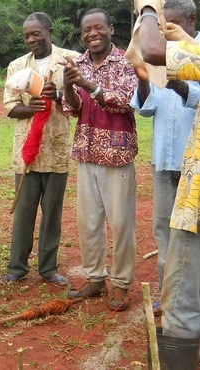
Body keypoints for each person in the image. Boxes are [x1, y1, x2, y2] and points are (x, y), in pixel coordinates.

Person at [61, 8, 139, 312]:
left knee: (120, 224)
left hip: (117, 156)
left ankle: (120, 283)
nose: (92, 34)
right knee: (88, 223)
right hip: (87, 152)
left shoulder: (125, 63)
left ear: (111, 29)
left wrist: (89, 84)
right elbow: (73, 108)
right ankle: (95, 279)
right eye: (86, 30)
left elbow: (123, 100)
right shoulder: (77, 63)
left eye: (98, 28)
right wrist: (69, 85)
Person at [138, 2, 200, 368]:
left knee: (181, 293)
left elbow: (149, 49)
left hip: (196, 191)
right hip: (173, 166)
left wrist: (147, 8)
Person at [1, 12, 79, 287]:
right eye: (26, 36)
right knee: (23, 212)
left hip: (57, 149)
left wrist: (57, 95)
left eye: (36, 34)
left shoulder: (71, 60)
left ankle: (48, 268)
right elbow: (10, 106)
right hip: (26, 153)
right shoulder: (17, 65)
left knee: (52, 213)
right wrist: (29, 107)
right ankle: (17, 267)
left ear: (50, 31)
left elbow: (79, 106)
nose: (31, 39)